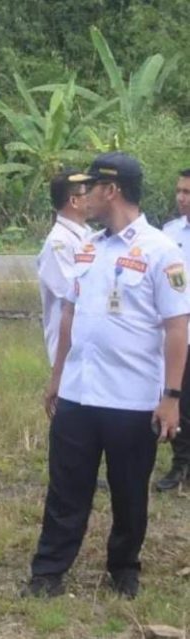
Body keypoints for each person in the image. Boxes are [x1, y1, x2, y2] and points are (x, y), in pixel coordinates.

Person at [22, 153, 190, 600]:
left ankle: (123, 568)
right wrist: (57, 376)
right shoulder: (88, 247)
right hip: (79, 393)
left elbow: (177, 329)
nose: (83, 197)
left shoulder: (161, 251)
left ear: (111, 191)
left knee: (129, 492)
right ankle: (49, 571)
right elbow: (69, 314)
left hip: (132, 399)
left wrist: (171, 396)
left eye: (89, 188)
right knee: (65, 490)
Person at [156, 168, 190, 491]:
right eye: (180, 191)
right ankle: (181, 465)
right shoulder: (169, 233)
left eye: (188, 193)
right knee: (182, 398)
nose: (182, 198)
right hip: (181, 333)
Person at [38, 171, 92, 365]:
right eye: (87, 194)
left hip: (89, 349)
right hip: (69, 353)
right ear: (74, 201)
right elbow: (71, 292)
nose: (92, 198)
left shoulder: (90, 236)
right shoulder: (57, 243)